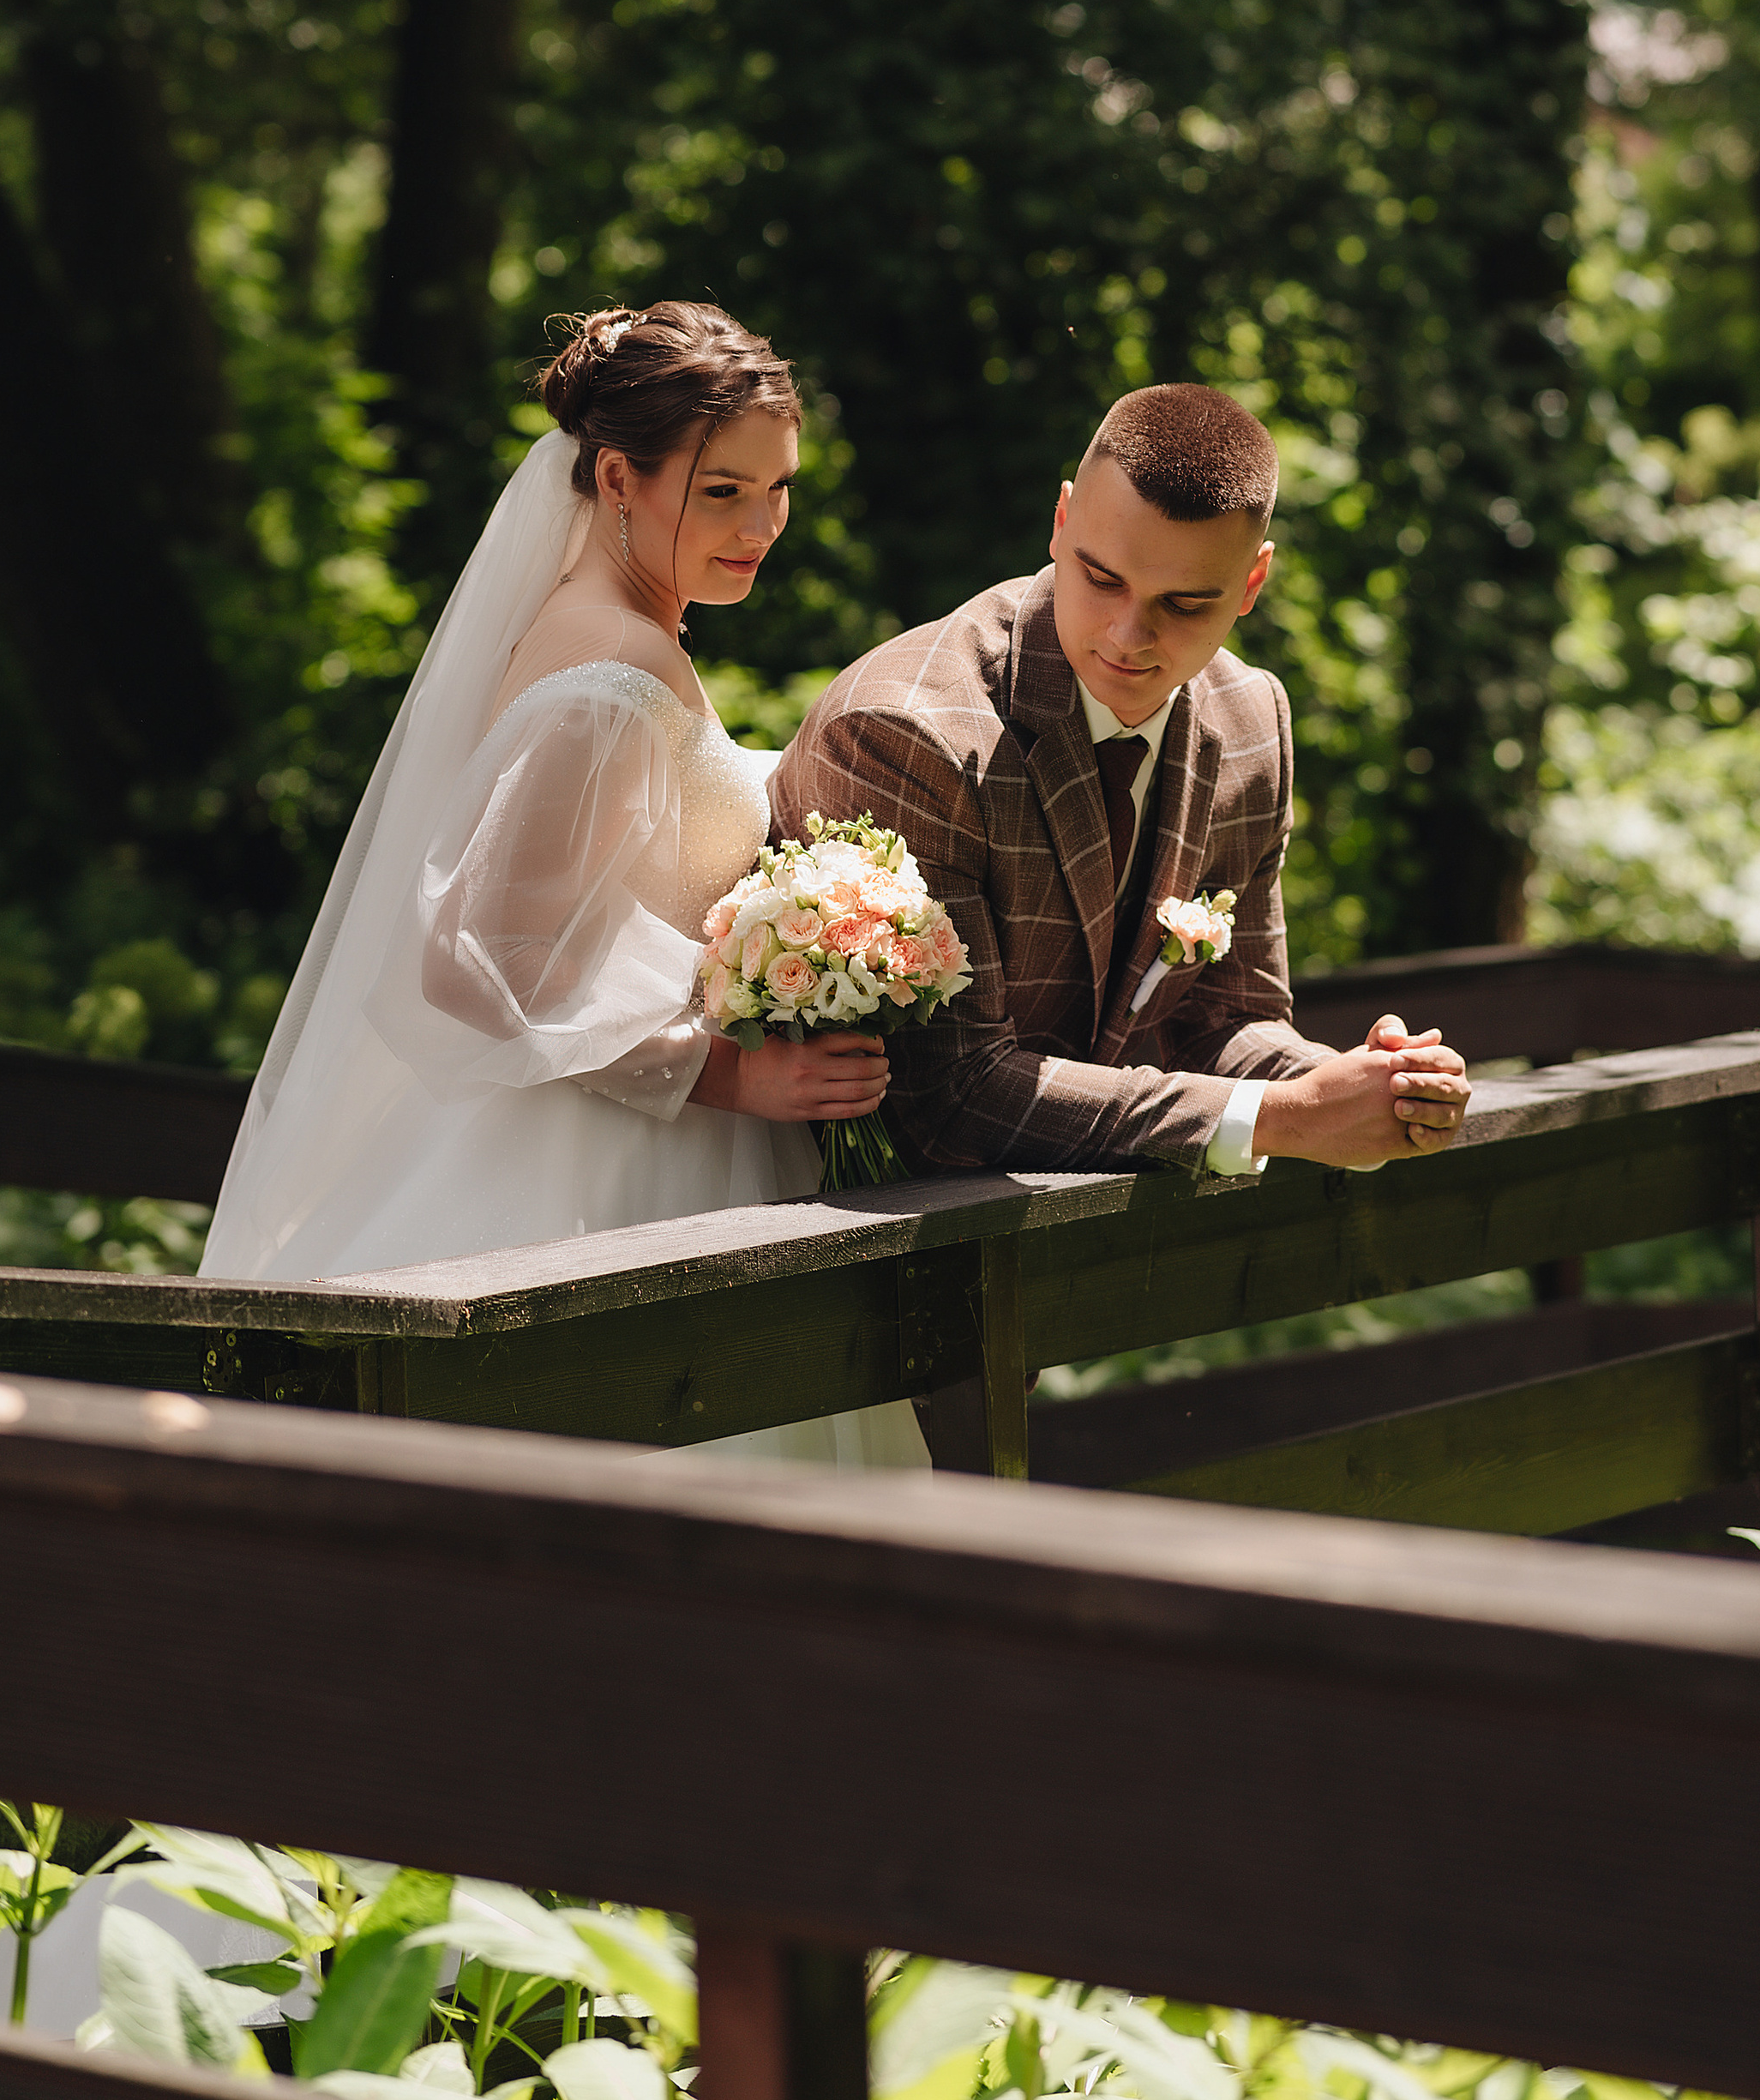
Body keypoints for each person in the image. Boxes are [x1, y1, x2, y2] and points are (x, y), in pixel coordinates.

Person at [201, 299, 924, 1470]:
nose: (761, 526)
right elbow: (475, 959)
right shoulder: (611, 674)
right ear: (619, 478)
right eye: (723, 490)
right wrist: (730, 1074)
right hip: (604, 1176)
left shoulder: (604, 630)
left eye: (778, 488)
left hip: (635, 1138)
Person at [771, 382, 1472, 1176]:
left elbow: (1227, 1020)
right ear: (1061, 521)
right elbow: (951, 1095)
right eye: (1102, 578)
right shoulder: (908, 733)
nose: (1129, 635)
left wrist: (1367, 1086)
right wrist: (1282, 1118)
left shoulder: (1252, 720)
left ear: (1252, 582)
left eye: (1185, 603)